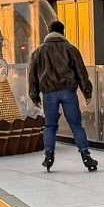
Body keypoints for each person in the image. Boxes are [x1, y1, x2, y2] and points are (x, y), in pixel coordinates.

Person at [28, 19, 97, 172]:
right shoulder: (70, 49)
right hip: (68, 92)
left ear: (49, 32)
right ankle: (86, 155)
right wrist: (87, 92)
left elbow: (32, 74)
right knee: (76, 125)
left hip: (49, 94)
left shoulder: (38, 51)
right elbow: (81, 72)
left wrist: (34, 96)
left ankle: (49, 156)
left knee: (50, 126)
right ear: (62, 32)